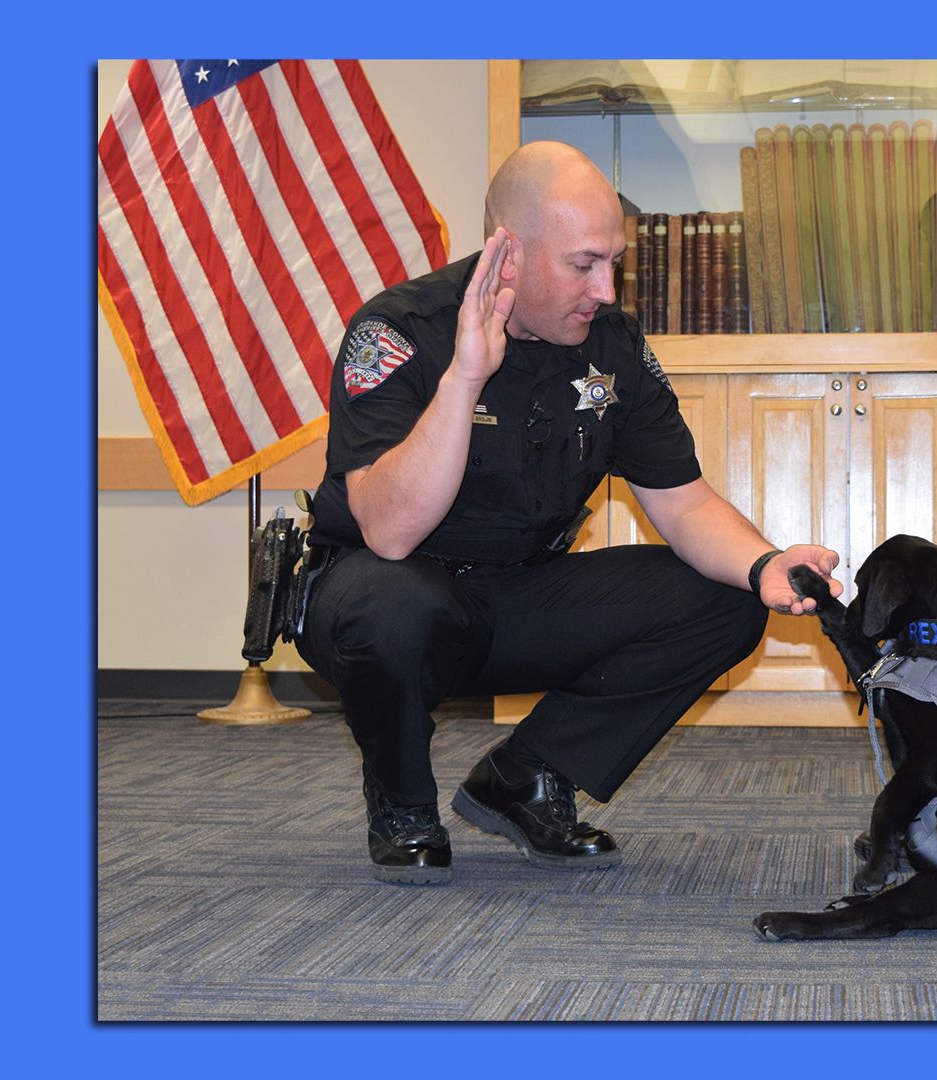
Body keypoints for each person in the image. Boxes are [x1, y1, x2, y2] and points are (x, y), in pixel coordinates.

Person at [296, 141, 840, 885]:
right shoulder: (400, 332)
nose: (606, 288)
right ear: (507, 255)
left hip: (516, 597)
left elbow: (682, 504)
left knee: (725, 599)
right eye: (584, 264)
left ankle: (526, 777)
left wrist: (764, 563)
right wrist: (464, 378)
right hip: (387, 596)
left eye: (613, 261)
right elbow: (390, 532)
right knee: (392, 605)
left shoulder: (610, 350)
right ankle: (402, 800)